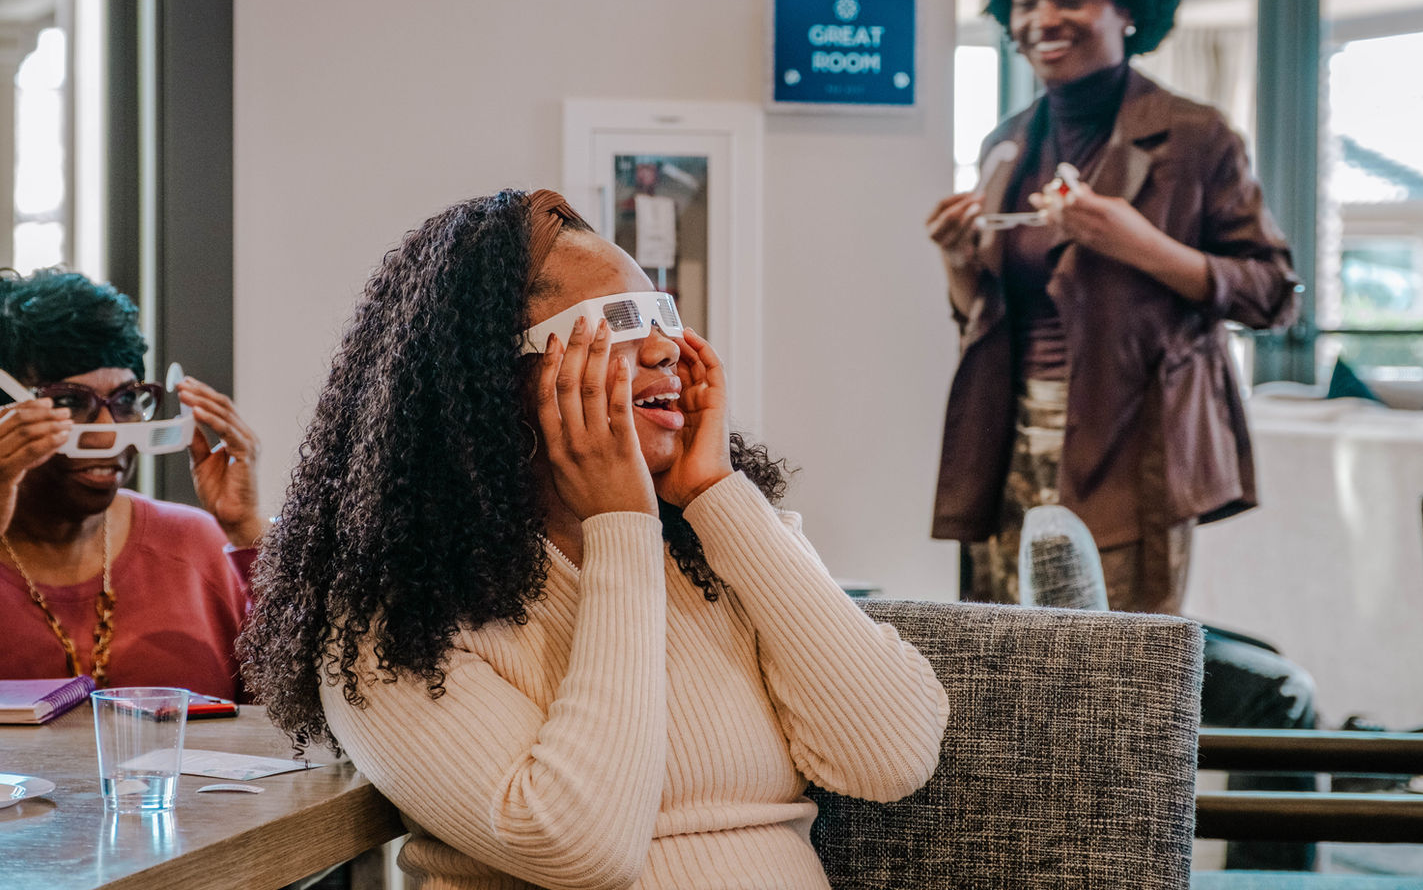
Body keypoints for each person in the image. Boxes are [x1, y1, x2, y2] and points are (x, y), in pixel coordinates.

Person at [239, 189, 948, 890]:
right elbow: (580, 848)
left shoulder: (721, 543)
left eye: (661, 315)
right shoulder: (392, 628)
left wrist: (719, 498)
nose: (668, 347)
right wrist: (621, 529)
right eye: (617, 322)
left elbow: (890, 755)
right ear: (492, 378)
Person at [927, 0, 1298, 615]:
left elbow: (1273, 295)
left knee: (1116, 682)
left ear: (1128, 5)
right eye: (1026, 0)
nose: (1043, 19)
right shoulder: (1004, 144)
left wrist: (1141, 244)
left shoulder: (1196, 137)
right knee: (1007, 670)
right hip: (1007, 444)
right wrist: (958, 260)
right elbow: (983, 312)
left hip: (1134, 448)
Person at [0, 268, 263, 700]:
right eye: (68, 402)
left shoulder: (200, 545)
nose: (107, 436)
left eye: (125, 401)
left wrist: (247, 529)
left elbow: (316, 712)